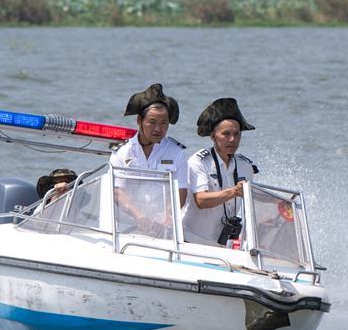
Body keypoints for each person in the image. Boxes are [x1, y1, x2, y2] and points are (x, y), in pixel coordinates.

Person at [110, 83, 188, 233]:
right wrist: (139, 216)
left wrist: (166, 218)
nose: (158, 129)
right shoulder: (121, 152)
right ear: (139, 121)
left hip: (165, 228)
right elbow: (117, 190)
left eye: (163, 123)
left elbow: (180, 192)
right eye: (152, 122)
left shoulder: (177, 152)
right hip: (126, 227)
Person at [182, 98, 258, 246]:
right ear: (212, 136)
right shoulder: (199, 162)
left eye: (237, 134)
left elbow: (252, 202)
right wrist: (234, 191)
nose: (232, 139)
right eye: (226, 134)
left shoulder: (245, 166)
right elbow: (201, 200)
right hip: (191, 241)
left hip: (224, 245)